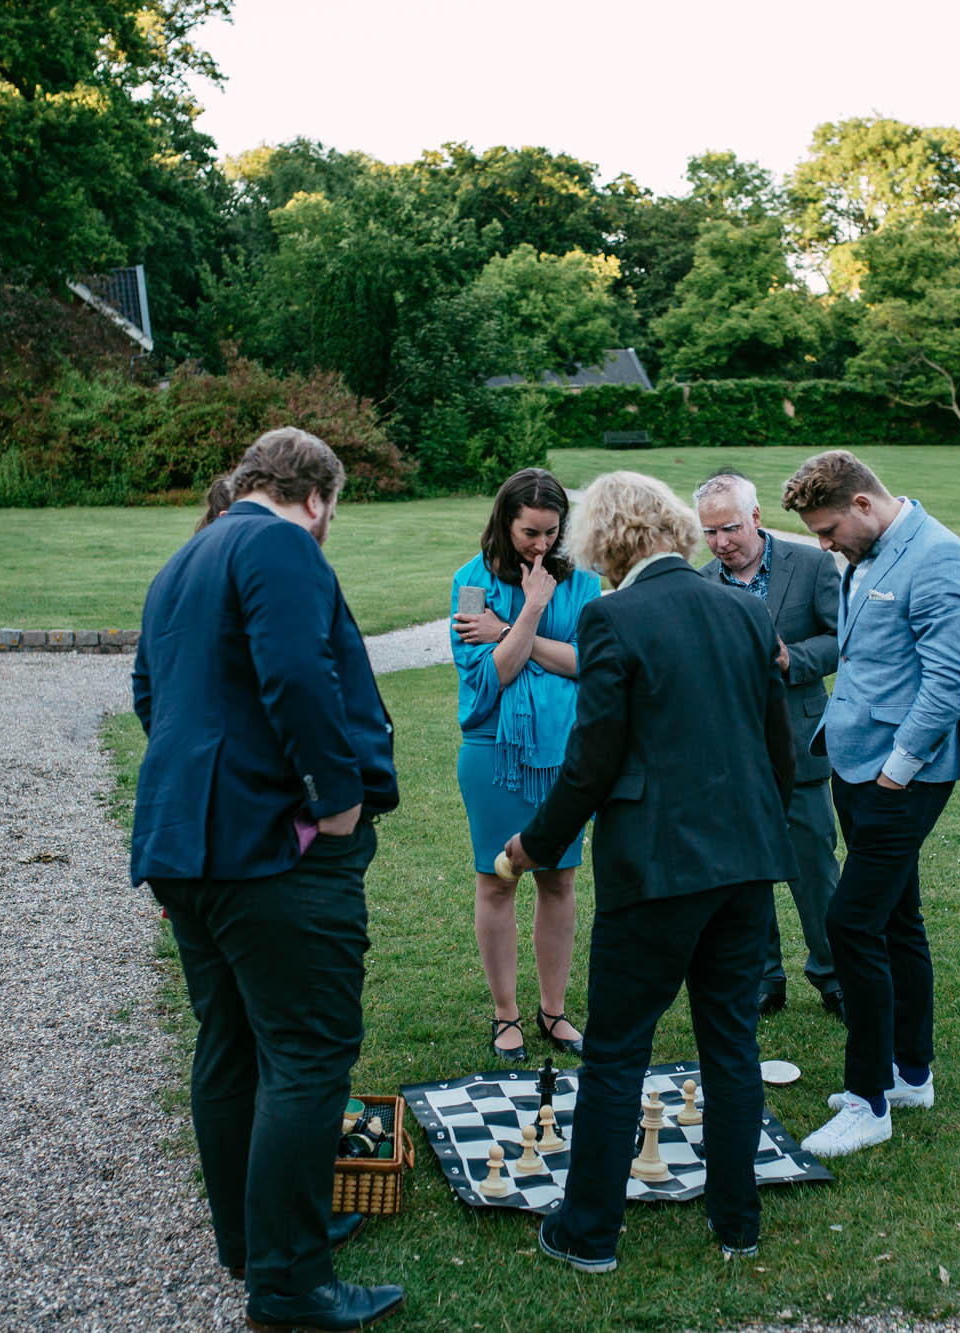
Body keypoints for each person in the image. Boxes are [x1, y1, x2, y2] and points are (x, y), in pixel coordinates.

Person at [130, 427, 405, 1332]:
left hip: (185, 844)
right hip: (273, 850)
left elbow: (149, 696)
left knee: (235, 1042)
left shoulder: (183, 560)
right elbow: (296, 673)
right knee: (309, 1052)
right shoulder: (281, 542)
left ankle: (253, 1237)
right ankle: (289, 1284)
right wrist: (334, 801)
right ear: (318, 496)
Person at [502, 470, 795, 1274]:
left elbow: (590, 763)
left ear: (605, 540)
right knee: (730, 1042)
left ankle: (588, 1231)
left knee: (619, 1048)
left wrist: (532, 843)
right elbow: (778, 749)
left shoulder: (611, 616)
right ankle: (739, 1222)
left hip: (657, 869)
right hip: (745, 865)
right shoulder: (742, 606)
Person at [781, 450, 960, 1160]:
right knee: (897, 916)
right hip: (853, 761)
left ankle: (868, 1103)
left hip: (905, 773)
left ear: (863, 503)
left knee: (850, 922)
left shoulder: (939, 556)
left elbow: (948, 677)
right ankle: (910, 1073)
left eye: (829, 529)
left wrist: (898, 769)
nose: (826, 545)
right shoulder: (868, 551)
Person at [449, 468, 602, 1063]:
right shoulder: (470, 584)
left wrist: (513, 627)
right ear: (504, 523)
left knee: (559, 878)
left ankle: (554, 1011)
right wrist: (536, 614)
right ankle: (506, 1014)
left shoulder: (584, 580)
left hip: (564, 753)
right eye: (529, 533)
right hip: (493, 752)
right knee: (498, 879)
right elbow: (493, 678)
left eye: (551, 533)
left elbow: (588, 661)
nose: (541, 545)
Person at [693, 470, 843, 1020]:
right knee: (745, 877)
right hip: (730, 755)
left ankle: (835, 977)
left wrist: (789, 659)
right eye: (709, 533)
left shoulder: (812, 565)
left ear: (756, 518)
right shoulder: (701, 582)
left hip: (800, 745)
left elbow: (839, 640)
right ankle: (763, 977)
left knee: (814, 870)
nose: (720, 543)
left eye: (729, 528)